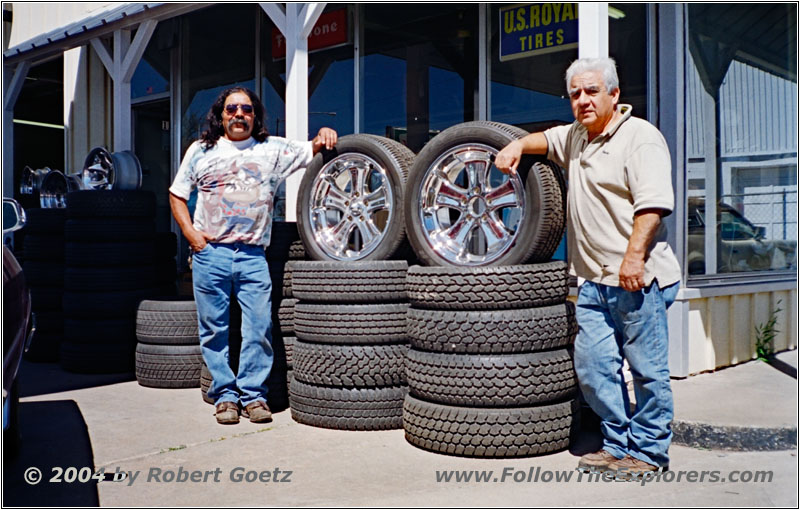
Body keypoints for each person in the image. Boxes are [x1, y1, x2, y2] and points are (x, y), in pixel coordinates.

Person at [495, 57, 681, 474]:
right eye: (575, 93)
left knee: (647, 371)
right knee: (594, 368)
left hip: (638, 278)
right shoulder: (577, 137)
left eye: (592, 91)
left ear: (615, 95)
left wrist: (633, 260)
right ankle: (617, 444)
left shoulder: (640, 138)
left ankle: (649, 453)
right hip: (594, 281)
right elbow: (544, 139)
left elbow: (652, 207)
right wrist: (516, 145)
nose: (583, 100)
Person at [169, 87, 337, 425]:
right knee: (213, 331)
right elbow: (176, 194)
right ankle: (226, 397)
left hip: (252, 257)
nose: (239, 114)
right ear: (221, 115)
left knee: (259, 327)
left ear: (254, 115)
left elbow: (313, 146)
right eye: (232, 108)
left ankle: (254, 396)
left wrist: (324, 133)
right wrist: (191, 235)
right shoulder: (201, 150)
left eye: (246, 108)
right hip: (210, 254)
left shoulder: (272, 149)